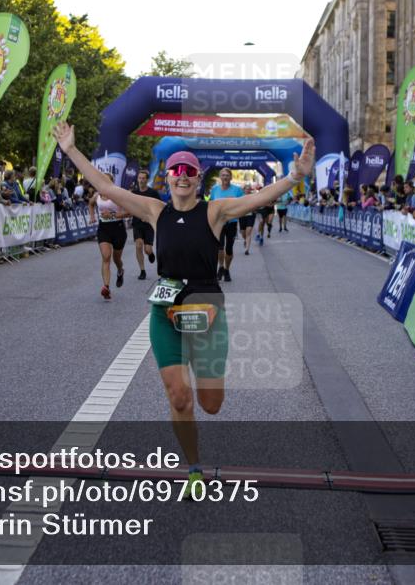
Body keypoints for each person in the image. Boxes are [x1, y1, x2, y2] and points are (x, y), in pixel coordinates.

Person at [54, 120, 315, 498]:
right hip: (166, 312)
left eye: (188, 171)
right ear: (169, 177)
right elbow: (106, 188)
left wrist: (294, 177)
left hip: (207, 312)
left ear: (197, 179)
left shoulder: (215, 211)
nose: (181, 175)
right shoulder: (154, 210)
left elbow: (258, 200)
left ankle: (203, 383)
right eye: (175, 169)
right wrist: (71, 150)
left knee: (211, 404)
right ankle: (193, 468)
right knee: (179, 396)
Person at [89, 173, 128, 299]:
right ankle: (106, 287)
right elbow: (91, 203)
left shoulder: (118, 195)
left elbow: (129, 212)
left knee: (117, 259)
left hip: (118, 229)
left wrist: (112, 215)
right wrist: (92, 216)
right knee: (106, 257)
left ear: (112, 182)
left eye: (107, 180)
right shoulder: (97, 195)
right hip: (104, 228)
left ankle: (120, 270)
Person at [208, 168, 244, 282]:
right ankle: (220, 267)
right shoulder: (215, 190)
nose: (225, 177)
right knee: (219, 247)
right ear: (220, 177)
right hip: (219, 222)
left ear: (231, 177)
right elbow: (211, 204)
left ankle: (227, 269)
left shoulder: (237, 190)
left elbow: (242, 205)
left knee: (229, 249)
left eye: (227, 175)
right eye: (223, 175)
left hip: (231, 223)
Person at [131, 169, 159, 280]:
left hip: (149, 224)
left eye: (143, 178)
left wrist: (150, 217)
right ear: (137, 179)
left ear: (147, 180)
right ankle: (142, 270)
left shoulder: (153, 193)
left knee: (147, 249)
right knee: (138, 245)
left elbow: (158, 207)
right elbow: (129, 206)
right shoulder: (134, 193)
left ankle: (150, 253)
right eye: (140, 178)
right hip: (137, 223)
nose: (141, 180)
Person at [238, 184, 256, 255]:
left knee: (248, 232)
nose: (247, 190)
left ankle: (247, 250)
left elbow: (257, 204)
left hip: (250, 216)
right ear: (244, 190)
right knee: (243, 233)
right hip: (242, 216)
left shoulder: (253, 196)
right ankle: (245, 239)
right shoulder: (240, 197)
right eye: (246, 189)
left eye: (249, 189)